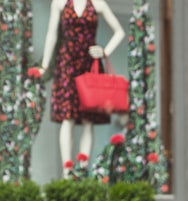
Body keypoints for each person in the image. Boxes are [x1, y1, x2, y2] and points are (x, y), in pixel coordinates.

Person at [38, 0, 125, 175]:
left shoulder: (97, 4)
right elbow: (52, 34)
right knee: (67, 117)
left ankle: (83, 169)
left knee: (88, 119)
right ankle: (67, 171)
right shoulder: (60, 3)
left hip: (89, 64)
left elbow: (119, 32)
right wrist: (45, 65)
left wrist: (105, 51)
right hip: (67, 63)